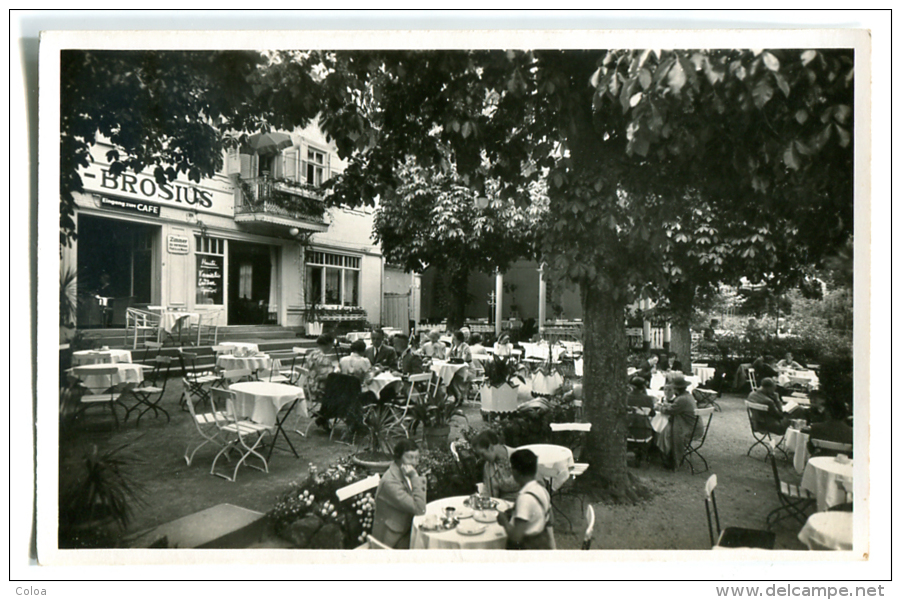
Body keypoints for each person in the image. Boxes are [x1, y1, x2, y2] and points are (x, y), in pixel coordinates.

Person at [371, 439, 427, 549]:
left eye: (417, 458)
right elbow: (420, 509)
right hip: (392, 540)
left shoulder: (404, 470)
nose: (415, 463)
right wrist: (415, 477)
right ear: (398, 458)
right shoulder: (390, 482)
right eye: (410, 457)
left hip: (406, 527)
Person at [496, 449, 556, 550]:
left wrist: (504, 522)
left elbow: (516, 537)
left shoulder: (525, 499)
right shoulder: (541, 489)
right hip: (541, 541)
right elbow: (545, 517)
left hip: (527, 548)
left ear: (516, 472)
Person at [655, 374, 697, 469]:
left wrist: (658, 407)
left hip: (688, 427)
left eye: (673, 388)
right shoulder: (687, 395)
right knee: (667, 428)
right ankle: (665, 452)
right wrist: (666, 405)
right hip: (691, 424)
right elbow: (674, 407)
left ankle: (667, 455)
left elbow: (669, 411)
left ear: (676, 389)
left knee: (665, 431)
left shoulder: (682, 399)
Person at [471, 430, 519, 502]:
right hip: (503, 505)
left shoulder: (519, 456)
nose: (481, 458)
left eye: (482, 454)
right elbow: (487, 492)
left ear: (491, 447)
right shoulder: (488, 466)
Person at [303, 334, 337, 400]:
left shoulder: (312, 354)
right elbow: (328, 376)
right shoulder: (324, 359)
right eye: (332, 344)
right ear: (329, 344)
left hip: (308, 386)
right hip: (317, 389)